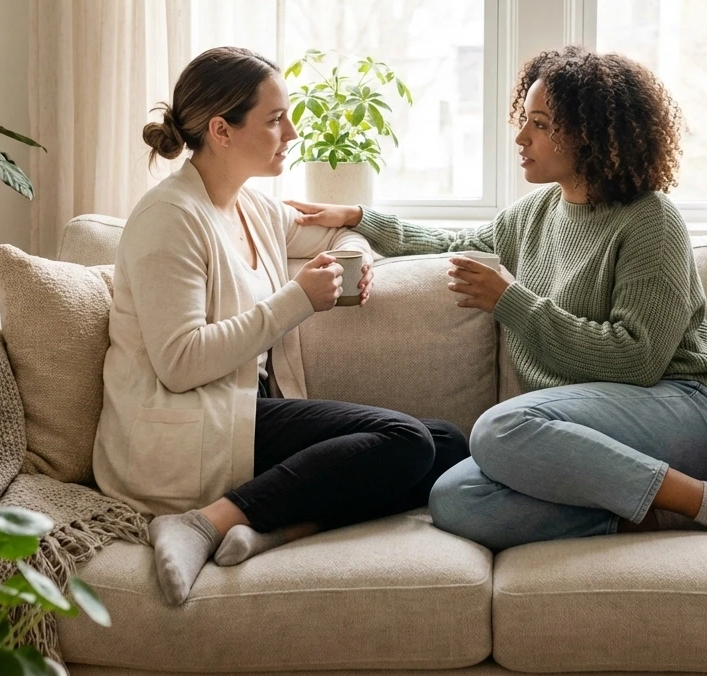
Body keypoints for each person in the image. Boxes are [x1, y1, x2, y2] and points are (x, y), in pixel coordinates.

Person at [287, 46, 707, 551]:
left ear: (591, 136)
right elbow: (453, 245)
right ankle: (654, 511)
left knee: (500, 426)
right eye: (526, 119)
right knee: (454, 498)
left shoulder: (651, 220)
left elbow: (638, 360)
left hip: (680, 410)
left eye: (540, 124)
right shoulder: (534, 212)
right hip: (579, 431)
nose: (520, 137)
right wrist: (359, 218)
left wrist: (512, 302)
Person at [93, 46, 468, 605]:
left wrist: (357, 260)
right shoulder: (168, 219)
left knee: (450, 446)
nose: (291, 131)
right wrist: (297, 299)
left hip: (244, 409)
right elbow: (179, 365)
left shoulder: (254, 208)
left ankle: (276, 526)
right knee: (406, 440)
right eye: (274, 119)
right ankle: (200, 523)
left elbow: (332, 233)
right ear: (222, 130)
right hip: (187, 424)